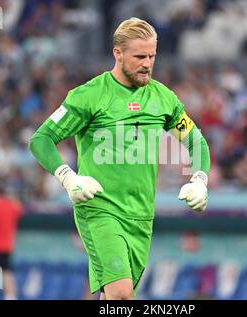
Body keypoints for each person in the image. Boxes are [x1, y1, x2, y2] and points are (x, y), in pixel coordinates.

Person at [29, 17, 210, 300]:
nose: (147, 63)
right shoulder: (88, 96)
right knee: (121, 294)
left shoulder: (164, 99)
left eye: (151, 56)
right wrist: (68, 177)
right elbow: (41, 139)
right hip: (100, 210)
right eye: (139, 56)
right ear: (118, 53)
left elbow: (195, 141)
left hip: (141, 216)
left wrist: (200, 180)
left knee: (118, 299)